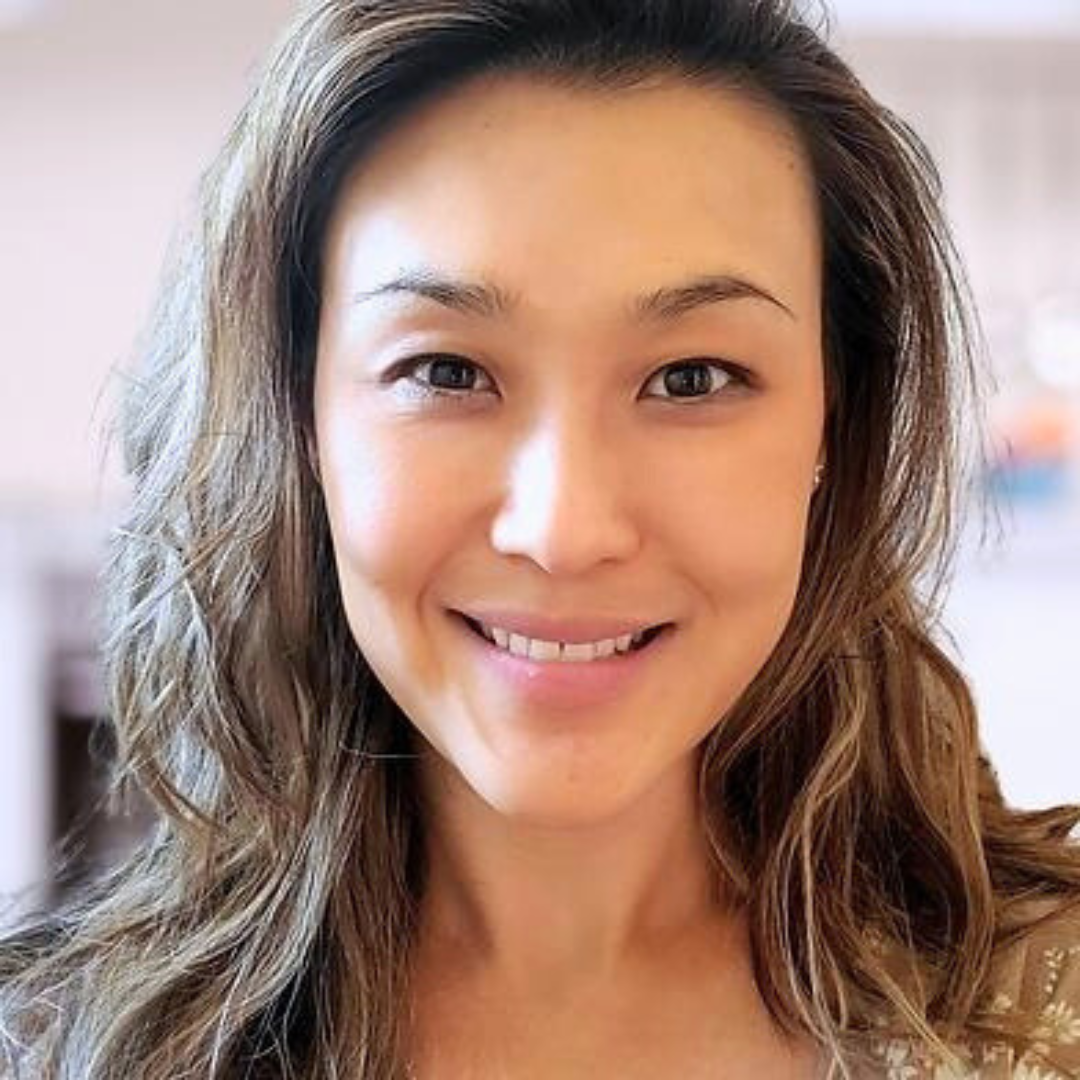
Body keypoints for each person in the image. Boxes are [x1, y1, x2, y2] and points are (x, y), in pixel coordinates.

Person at [3, 0, 1080, 1076]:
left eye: (692, 378)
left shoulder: (1051, 1010)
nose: (564, 530)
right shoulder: (63, 1050)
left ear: (833, 428)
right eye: (446, 372)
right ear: (303, 420)